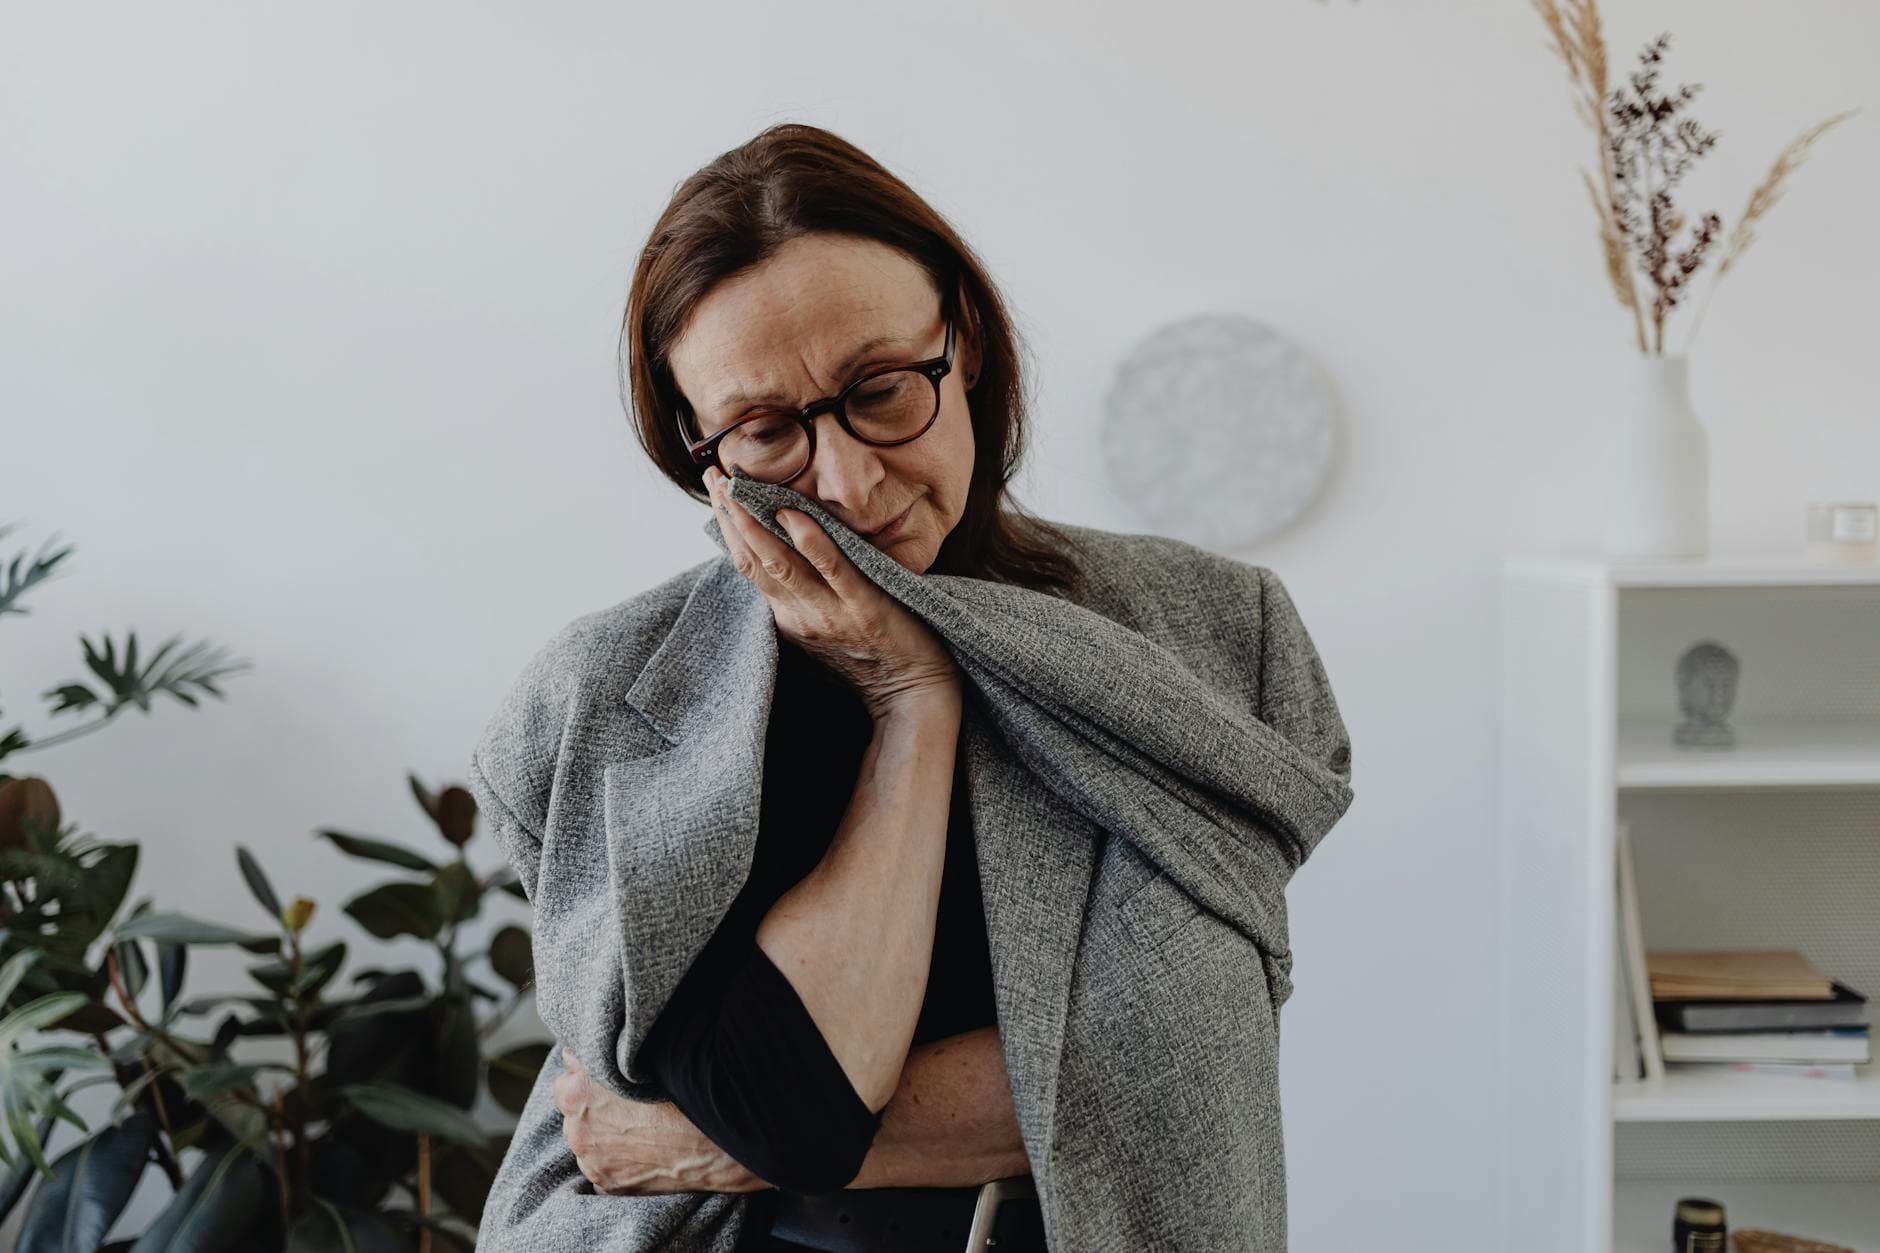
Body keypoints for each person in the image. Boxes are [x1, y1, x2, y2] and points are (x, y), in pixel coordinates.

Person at [471, 121, 1354, 1252]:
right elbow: (786, 1100)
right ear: (699, 444)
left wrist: (703, 1140)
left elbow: (1194, 1065)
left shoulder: (1217, 637)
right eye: (766, 432)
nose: (845, 480)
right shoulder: (603, 701)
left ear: (966, 341)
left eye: (882, 388)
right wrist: (910, 699)